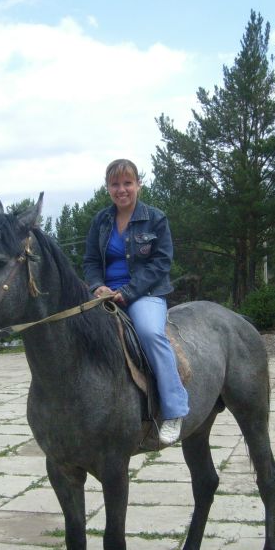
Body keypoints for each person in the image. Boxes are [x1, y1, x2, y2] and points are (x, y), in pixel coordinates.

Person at [83, 158, 189, 444]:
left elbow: (161, 263)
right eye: (115, 184)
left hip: (145, 294)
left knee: (150, 333)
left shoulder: (155, 218)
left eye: (127, 183)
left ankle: (174, 410)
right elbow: (90, 261)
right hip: (105, 294)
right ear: (107, 188)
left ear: (138, 184)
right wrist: (97, 285)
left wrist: (128, 292)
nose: (122, 189)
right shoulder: (101, 221)